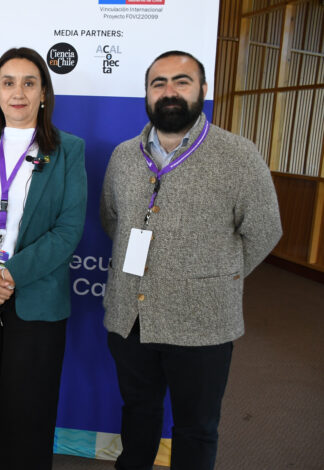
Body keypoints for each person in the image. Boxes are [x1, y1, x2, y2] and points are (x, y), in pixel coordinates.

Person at [100, 51, 282, 470]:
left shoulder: (238, 155)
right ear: (147, 94)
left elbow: (264, 230)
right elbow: (112, 219)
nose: (169, 91)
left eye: (181, 82)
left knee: (196, 428)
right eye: (158, 83)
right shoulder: (123, 156)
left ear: (203, 90)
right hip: (131, 317)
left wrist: (216, 277)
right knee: (138, 413)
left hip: (203, 321)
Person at [0, 47, 87, 470]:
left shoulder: (68, 150)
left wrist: (8, 275)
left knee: (28, 410)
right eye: (8, 83)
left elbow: (67, 230)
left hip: (36, 296)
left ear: (44, 93)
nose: (18, 92)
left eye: (29, 83)